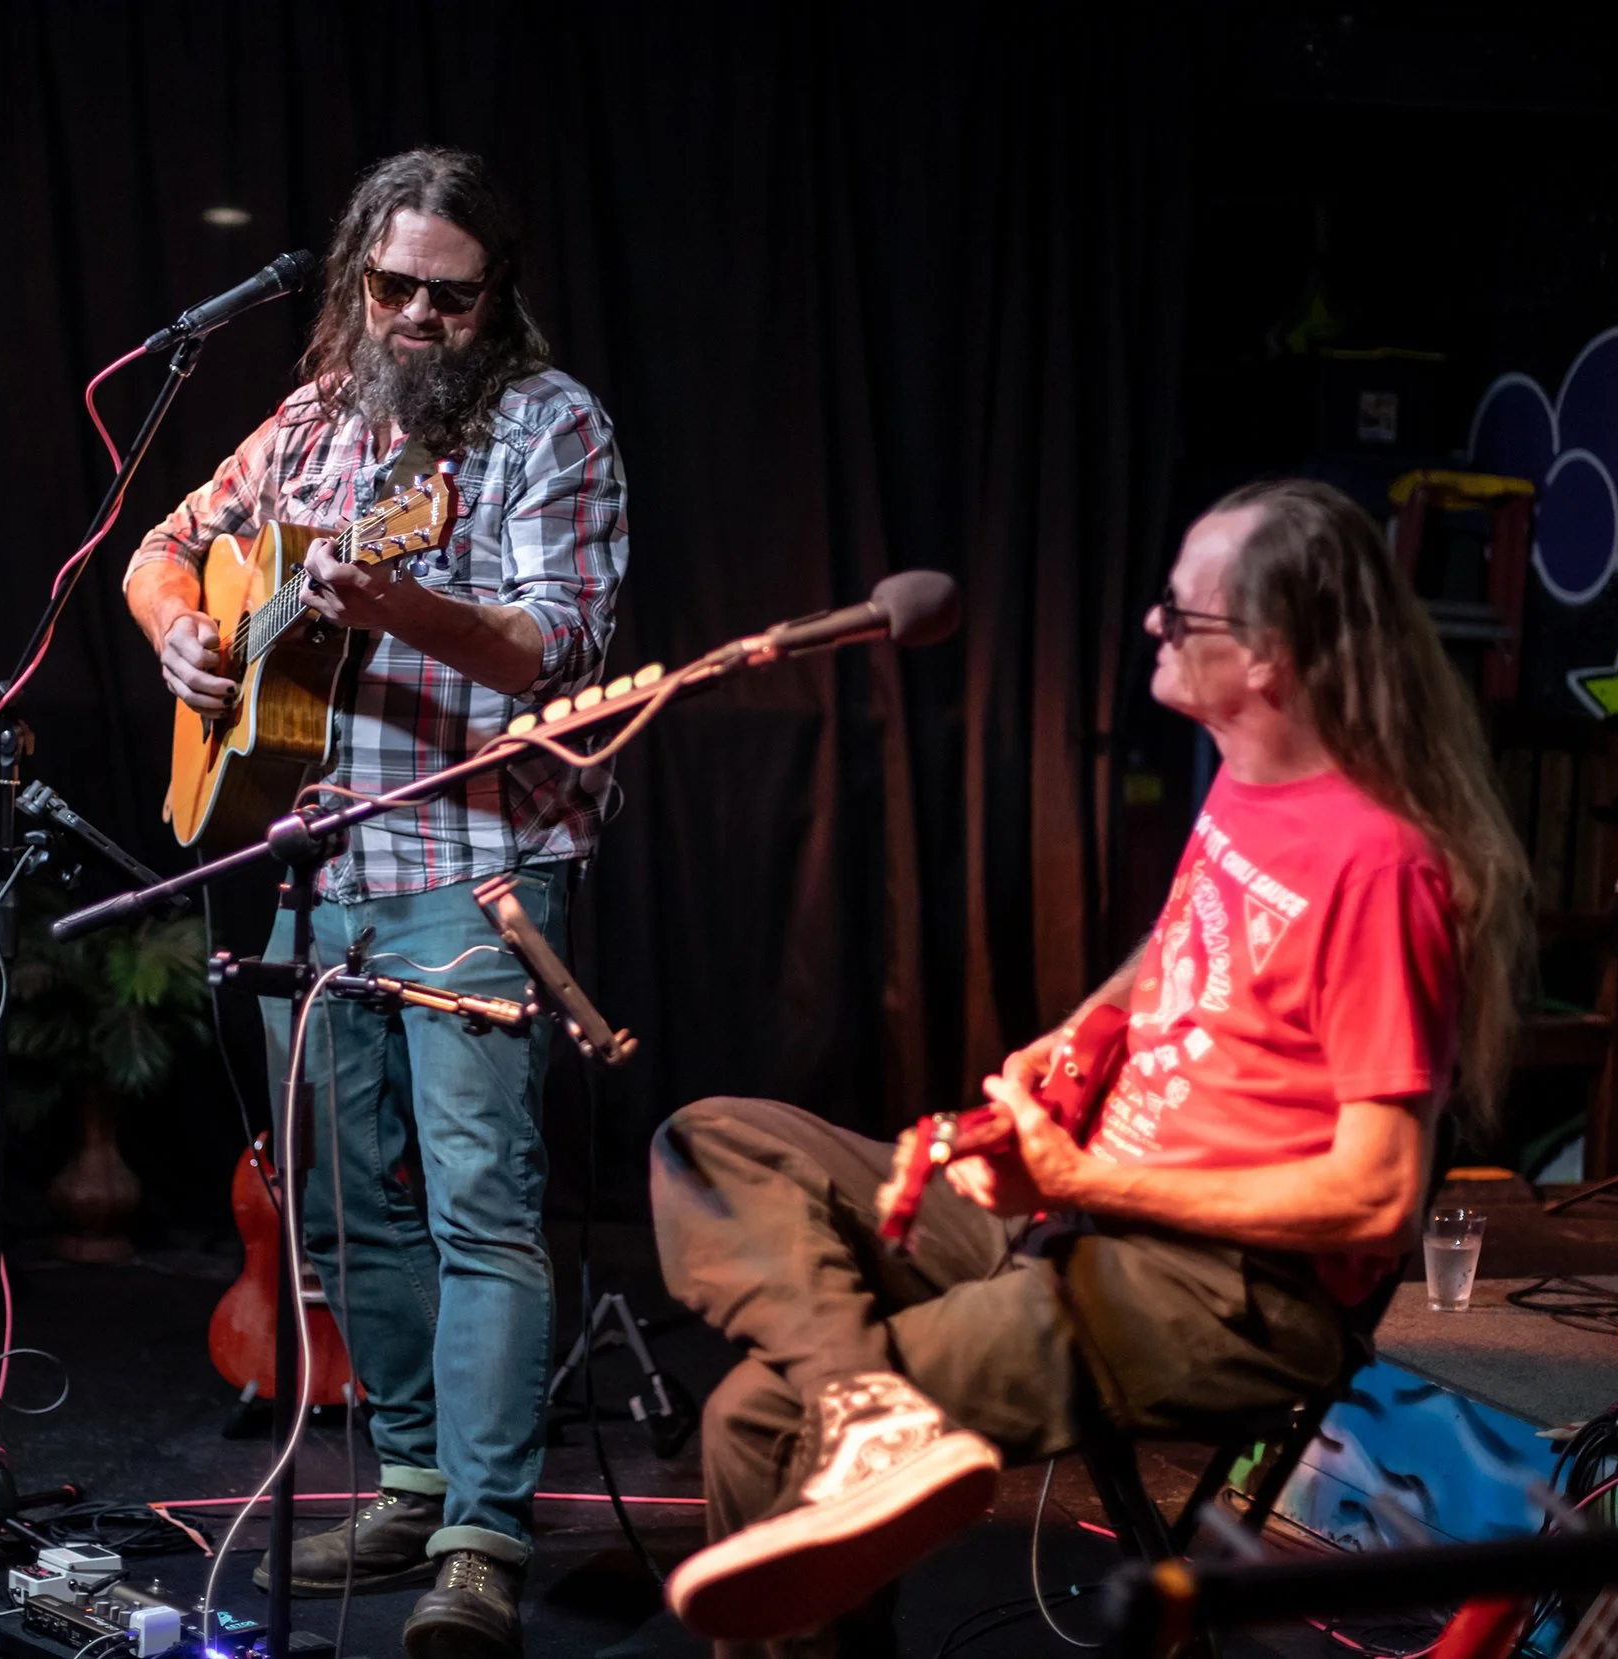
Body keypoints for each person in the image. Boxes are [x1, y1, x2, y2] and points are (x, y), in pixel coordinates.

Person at [649, 479, 1531, 1656]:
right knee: (713, 1142)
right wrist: (1074, 1041)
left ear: (1265, 659)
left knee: (763, 1423)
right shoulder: (1246, 779)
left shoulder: (1378, 868)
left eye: (1182, 612)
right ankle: (869, 1407)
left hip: (1224, 1292)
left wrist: (1082, 1182)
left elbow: (1373, 1197)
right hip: (1087, 1212)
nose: (1153, 624)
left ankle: (861, 1417)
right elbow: (1182, 946)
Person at [124, 148, 628, 1658]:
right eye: (392, 285)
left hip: (474, 864)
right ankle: (410, 1479)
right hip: (318, 859)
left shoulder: (551, 424)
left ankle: (482, 1536)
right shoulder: (313, 417)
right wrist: (183, 633)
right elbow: (162, 547)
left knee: (481, 1204)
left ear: (496, 294)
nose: (417, 315)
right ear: (357, 278)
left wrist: (402, 602)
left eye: (448, 295)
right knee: (339, 1205)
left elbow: (556, 640)